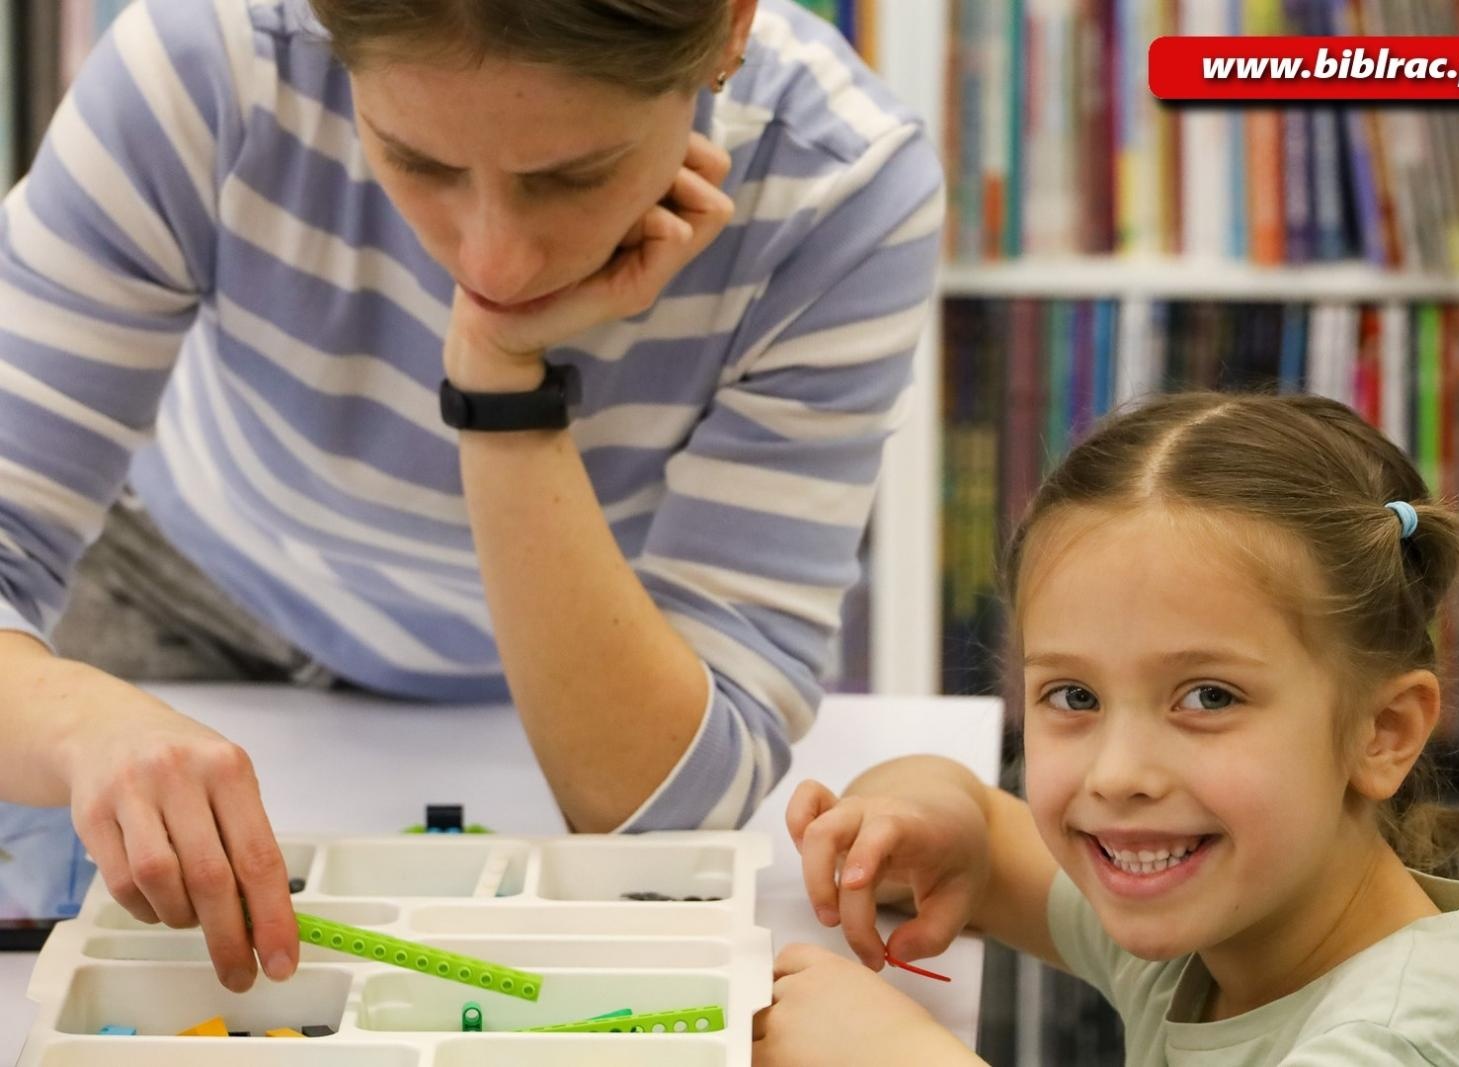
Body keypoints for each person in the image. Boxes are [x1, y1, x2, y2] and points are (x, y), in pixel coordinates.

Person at [0, 0, 943, 993]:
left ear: (727, 37)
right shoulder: (202, 62)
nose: (492, 262)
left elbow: (664, 800)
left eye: (572, 175)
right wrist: (80, 725)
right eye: (419, 161)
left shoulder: (841, 183)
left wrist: (499, 375)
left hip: (561, 675)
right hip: (183, 596)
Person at [757, 392, 1459, 1066]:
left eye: (1209, 697)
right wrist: (925, 815)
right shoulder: (1230, 909)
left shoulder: (1413, 1035)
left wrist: (900, 1055)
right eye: (1074, 696)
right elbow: (988, 835)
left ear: (1382, 732)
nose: (1118, 775)